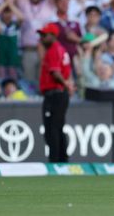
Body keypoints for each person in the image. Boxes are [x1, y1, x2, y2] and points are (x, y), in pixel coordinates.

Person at [38, 23, 73, 163]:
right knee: (58, 127)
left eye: (44, 35)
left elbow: (55, 72)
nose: (41, 38)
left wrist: (66, 85)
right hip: (60, 94)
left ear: (52, 36)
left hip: (54, 94)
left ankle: (55, 160)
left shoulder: (53, 50)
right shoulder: (61, 49)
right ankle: (63, 159)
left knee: (51, 129)